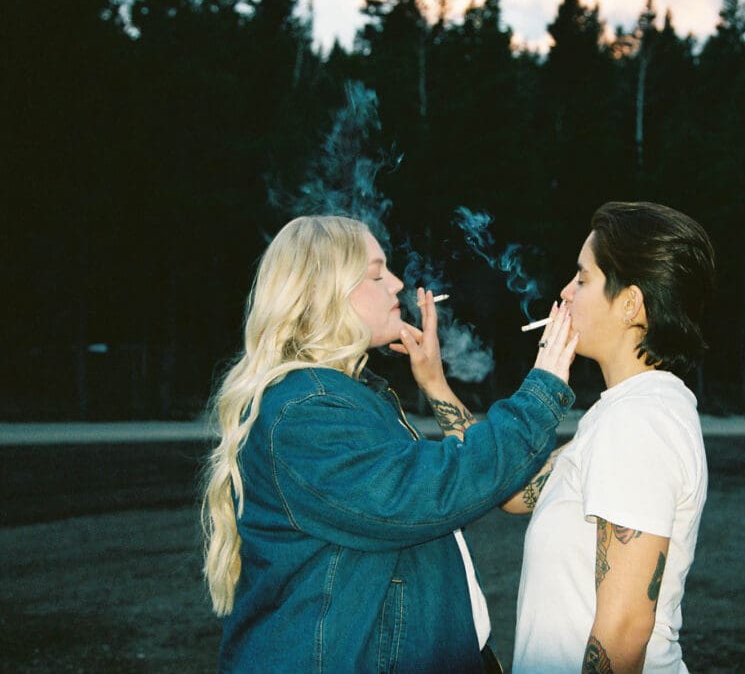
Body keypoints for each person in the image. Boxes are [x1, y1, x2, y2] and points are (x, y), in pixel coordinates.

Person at [201, 214, 578, 673]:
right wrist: (542, 391)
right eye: (377, 274)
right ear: (324, 295)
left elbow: (454, 476)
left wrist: (434, 382)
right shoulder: (305, 412)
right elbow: (435, 491)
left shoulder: (349, 397)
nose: (398, 283)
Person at [506, 201, 716, 673]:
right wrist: (435, 381)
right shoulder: (619, 414)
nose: (565, 292)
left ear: (629, 304)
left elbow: (623, 629)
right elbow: (517, 491)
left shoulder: (640, 423)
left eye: (582, 279)